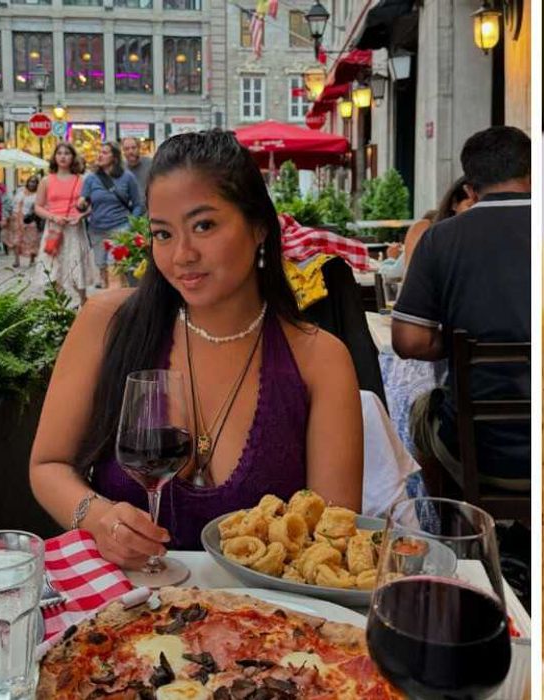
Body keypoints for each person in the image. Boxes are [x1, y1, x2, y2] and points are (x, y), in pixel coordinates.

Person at [28, 129, 363, 567]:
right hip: (122, 617)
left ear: (259, 226)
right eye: (163, 234)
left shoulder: (320, 359)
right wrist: (99, 517)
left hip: (267, 625)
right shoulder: (107, 324)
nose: (182, 254)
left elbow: (329, 543)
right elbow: (48, 465)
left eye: (203, 225)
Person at [392, 125, 532, 490]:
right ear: (531, 174)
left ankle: (455, 521)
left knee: (418, 411)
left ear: (469, 189)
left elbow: (408, 341)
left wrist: (457, 344)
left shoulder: (440, 238)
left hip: (477, 452)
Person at [36, 143, 97, 305]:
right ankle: (58, 304)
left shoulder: (82, 180)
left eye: (67, 153)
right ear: (55, 157)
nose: (63, 156)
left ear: (73, 157)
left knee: (76, 263)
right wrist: (53, 217)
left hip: (74, 228)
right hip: (54, 229)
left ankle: (84, 300)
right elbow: (38, 207)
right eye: (60, 153)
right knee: (55, 266)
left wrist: (82, 216)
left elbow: (92, 205)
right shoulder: (46, 181)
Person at [80, 141, 145, 288]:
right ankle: (115, 299)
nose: (100, 155)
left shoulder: (127, 177)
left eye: (104, 152)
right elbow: (83, 202)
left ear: (114, 157)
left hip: (120, 228)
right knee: (102, 268)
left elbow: (138, 204)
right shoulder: (91, 178)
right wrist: (81, 205)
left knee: (114, 268)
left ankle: (115, 307)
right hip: (97, 230)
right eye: (99, 152)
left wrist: (130, 225)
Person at [403, 176, 477, 266]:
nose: (478, 212)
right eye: (471, 206)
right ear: (454, 203)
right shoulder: (424, 230)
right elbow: (411, 276)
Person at [4, 176, 41, 268]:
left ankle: (32, 260)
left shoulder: (38, 195)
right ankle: (16, 261)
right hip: (16, 218)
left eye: (34, 182)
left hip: (28, 219)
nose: (32, 184)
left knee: (32, 240)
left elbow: (38, 208)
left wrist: (33, 213)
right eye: (30, 181)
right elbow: (13, 203)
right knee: (16, 240)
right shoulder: (20, 191)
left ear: (37, 184)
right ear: (27, 182)